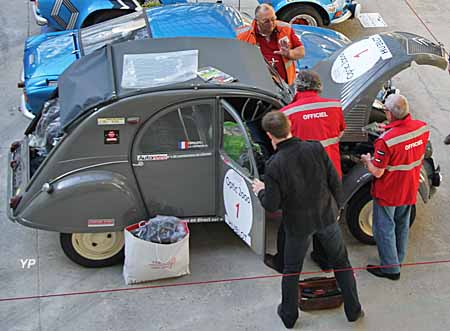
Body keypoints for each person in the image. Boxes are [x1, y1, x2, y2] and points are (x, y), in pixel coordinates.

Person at [252, 111, 363, 329]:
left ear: (269, 135)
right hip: (326, 217)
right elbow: (334, 180)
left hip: (298, 226)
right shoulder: (315, 148)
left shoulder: (275, 164)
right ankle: (353, 310)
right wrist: (337, 207)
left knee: (292, 271)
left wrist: (260, 190)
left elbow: (272, 204)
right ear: (290, 125)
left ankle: (289, 316)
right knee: (341, 263)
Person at [265, 70, 346, 272]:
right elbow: (341, 132)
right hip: (330, 172)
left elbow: (285, 143)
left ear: (298, 87)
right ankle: (324, 259)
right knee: (325, 215)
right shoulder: (334, 106)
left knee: (290, 221)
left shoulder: (288, 114)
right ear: (319, 87)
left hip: (301, 177)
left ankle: (283, 262)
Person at [361, 94, 429, 280]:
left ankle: (390, 269)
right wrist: (389, 128)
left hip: (389, 191)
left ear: (390, 113)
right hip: (409, 186)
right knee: (402, 225)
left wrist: (367, 160)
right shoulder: (422, 128)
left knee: (384, 229)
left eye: (385, 110)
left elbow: (377, 172)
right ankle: (398, 259)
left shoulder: (386, 141)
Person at [237, 4, 305, 85]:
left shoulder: (285, 28)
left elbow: (301, 51)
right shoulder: (242, 35)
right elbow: (238, 62)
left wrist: (289, 53)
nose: (271, 23)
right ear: (257, 21)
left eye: (273, 19)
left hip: (286, 85)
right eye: (266, 21)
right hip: (260, 86)